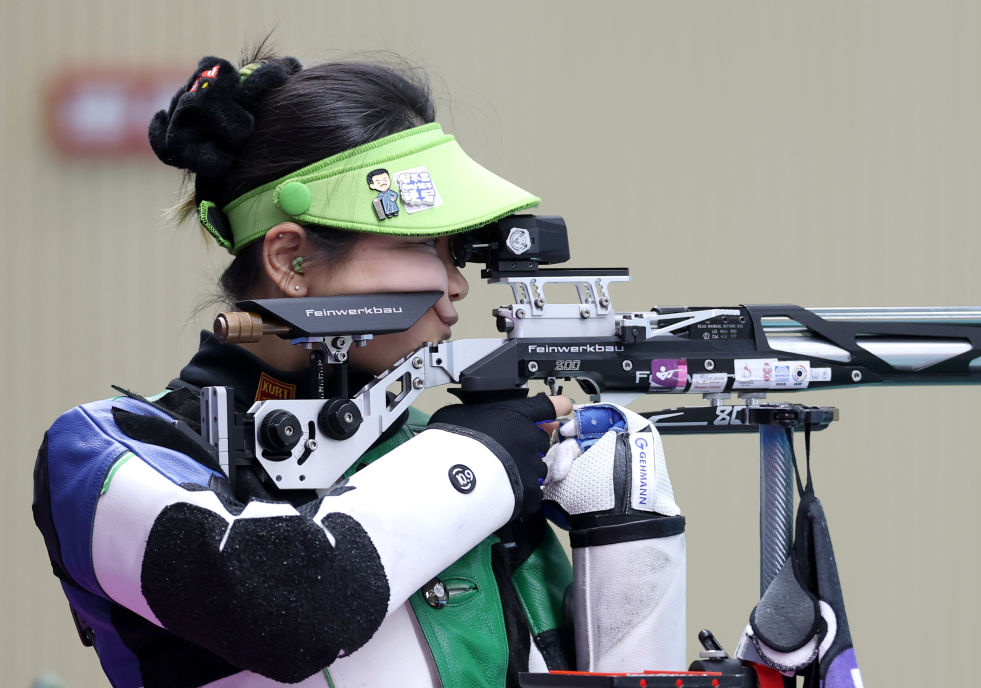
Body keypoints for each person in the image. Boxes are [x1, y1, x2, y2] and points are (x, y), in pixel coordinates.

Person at [32, 47, 685, 688]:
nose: (456, 284)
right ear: (290, 260)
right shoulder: (99, 453)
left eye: (456, 253)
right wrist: (477, 461)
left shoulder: (442, 451)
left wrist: (629, 533)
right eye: (424, 245)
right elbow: (288, 611)